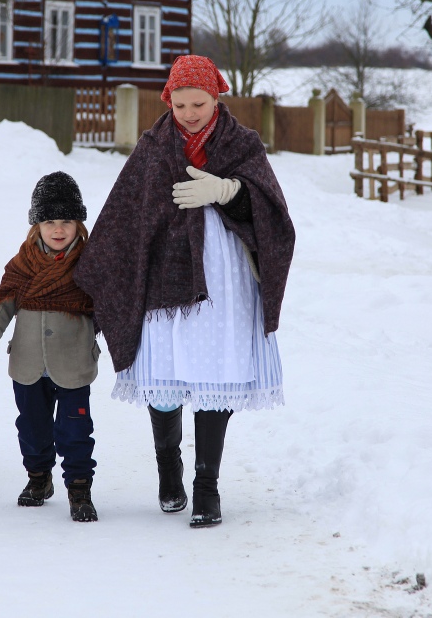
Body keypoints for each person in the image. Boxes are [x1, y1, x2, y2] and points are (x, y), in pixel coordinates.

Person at [73, 55, 295, 528]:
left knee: (216, 375)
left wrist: (229, 190)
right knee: (165, 375)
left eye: (199, 102)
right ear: (167, 101)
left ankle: (206, 488)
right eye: (180, 104)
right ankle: (168, 469)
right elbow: (124, 215)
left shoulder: (243, 144)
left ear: (217, 98)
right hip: (164, 281)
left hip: (223, 281)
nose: (190, 112)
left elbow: (273, 214)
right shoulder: (153, 148)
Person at [0, 172, 100, 522]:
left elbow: (113, 307)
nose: (58, 230)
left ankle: (78, 487)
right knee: (32, 427)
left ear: (78, 223)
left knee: (75, 430)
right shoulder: (23, 265)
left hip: (73, 364)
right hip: (28, 364)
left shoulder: (91, 264)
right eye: (49, 221)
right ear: (36, 225)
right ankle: (38, 478)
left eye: (66, 221)